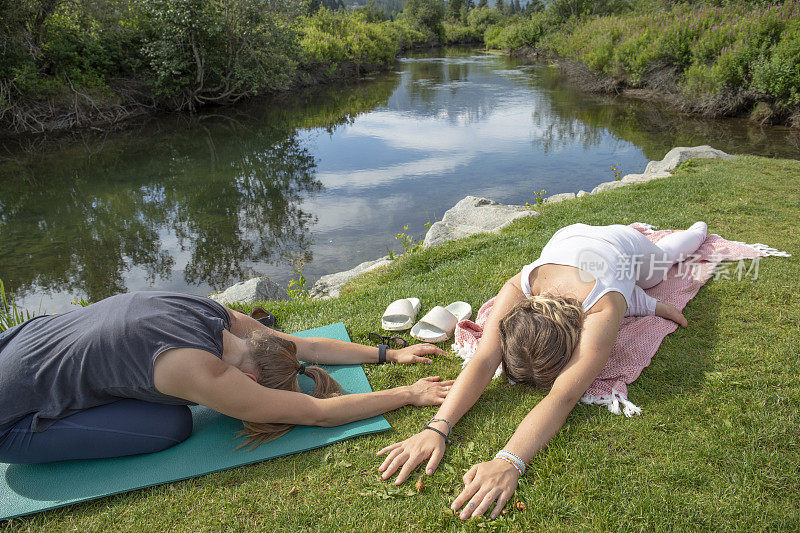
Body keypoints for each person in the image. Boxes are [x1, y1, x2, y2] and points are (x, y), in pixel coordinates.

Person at [376, 222, 708, 520]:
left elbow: (564, 394)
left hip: (625, 246)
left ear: (578, 334)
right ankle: (641, 296)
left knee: (662, 265)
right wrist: (437, 428)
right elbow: (483, 360)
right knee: (627, 290)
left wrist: (510, 461)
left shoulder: (604, 307)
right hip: (569, 236)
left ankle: (696, 231)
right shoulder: (519, 287)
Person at [0, 291, 451, 464]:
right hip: (9, 422)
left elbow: (302, 344)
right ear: (251, 384)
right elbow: (314, 413)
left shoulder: (213, 314)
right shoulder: (198, 370)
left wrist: (388, 354)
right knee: (171, 424)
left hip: (13, 344)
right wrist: (408, 394)